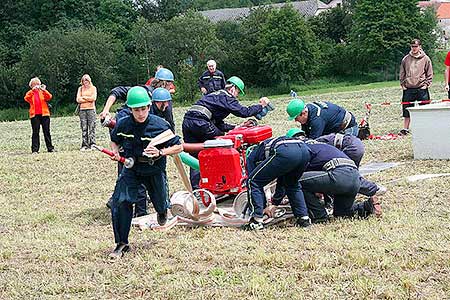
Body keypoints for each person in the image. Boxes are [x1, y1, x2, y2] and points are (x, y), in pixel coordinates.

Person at [109, 86, 182, 258]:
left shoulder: (160, 125)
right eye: (136, 109)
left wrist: (161, 152)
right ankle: (122, 243)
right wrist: (115, 151)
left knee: (160, 202)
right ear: (130, 109)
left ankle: (163, 210)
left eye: (143, 109)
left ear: (149, 107)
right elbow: (114, 140)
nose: (140, 113)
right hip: (132, 168)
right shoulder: (123, 124)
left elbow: (179, 146)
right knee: (120, 202)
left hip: (154, 168)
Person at [182, 76, 270, 189]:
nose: (236, 95)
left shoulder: (214, 96)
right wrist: (260, 106)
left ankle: (198, 188)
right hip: (201, 122)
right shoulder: (227, 96)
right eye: (238, 92)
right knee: (220, 144)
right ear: (233, 88)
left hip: (188, 122)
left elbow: (219, 124)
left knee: (195, 153)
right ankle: (220, 183)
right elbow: (244, 111)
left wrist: (237, 126)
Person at [242, 135, 312, 230]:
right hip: (304, 150)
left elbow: (255, 183)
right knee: (292, 184)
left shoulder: (251, 157)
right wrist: (274, 203)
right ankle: (304, 218)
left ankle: (256, 221)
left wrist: (261, 208)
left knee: (252, 181)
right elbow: (282, 182)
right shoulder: (264, 147)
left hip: (286, 151)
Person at [399, 38, 433, 135]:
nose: (414, 48)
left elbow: (429, 73)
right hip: (408, 88)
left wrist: (426, 85)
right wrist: (403, 84)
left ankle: (426, 127)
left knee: (425, 109)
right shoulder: (406, 59)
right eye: (412, 46)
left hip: (421, 88)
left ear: (420, 47)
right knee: (406, 110)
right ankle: (405, 129)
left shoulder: (426, 59)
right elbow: (402, 72)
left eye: (416, 46)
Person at [286, 98, 358, 139]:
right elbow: (306, 135)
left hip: (348, 127)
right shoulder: (308, 112)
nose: (295, 120)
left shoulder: (316, 119)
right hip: (333, 128)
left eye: (296, 118)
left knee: (340, 151)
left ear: (303, 113)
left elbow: (313, 142)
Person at [24, 77, 55, 154]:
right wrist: (32, 91)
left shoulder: (42, 92)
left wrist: (44, 90)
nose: (37, 86)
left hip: (45, 114)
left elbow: (49, 97)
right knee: (35, 132)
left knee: (47, 131)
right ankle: (35, 150)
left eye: (38, 84)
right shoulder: (30, 93)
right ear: (31, 86)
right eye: (34, 84)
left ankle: (50, 148)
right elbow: (26, 98)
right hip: (34, 115)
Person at [76, 74, 97, 151]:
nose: (85, 82)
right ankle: (84, 144)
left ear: (89, 80)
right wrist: (88, 99)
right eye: (84, 80)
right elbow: (78, 99)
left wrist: (84, 98)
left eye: (86, 80)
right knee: (84, 127)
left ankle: (92, 144)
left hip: (91, 109)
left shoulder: (93, 88)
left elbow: (93, 98)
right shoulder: (80, 89)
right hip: (82, 110)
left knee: (92, 127)